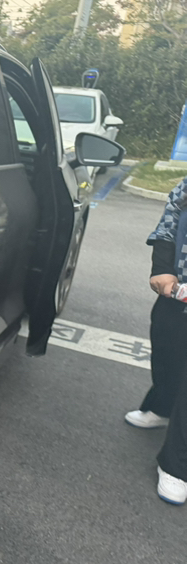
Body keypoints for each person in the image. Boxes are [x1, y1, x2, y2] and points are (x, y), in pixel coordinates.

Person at [125, 177, 187, 504]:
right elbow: (171, 219)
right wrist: (162, 267)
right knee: (166, 352)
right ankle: (161, 407)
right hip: (178, 293)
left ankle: (178, 465)